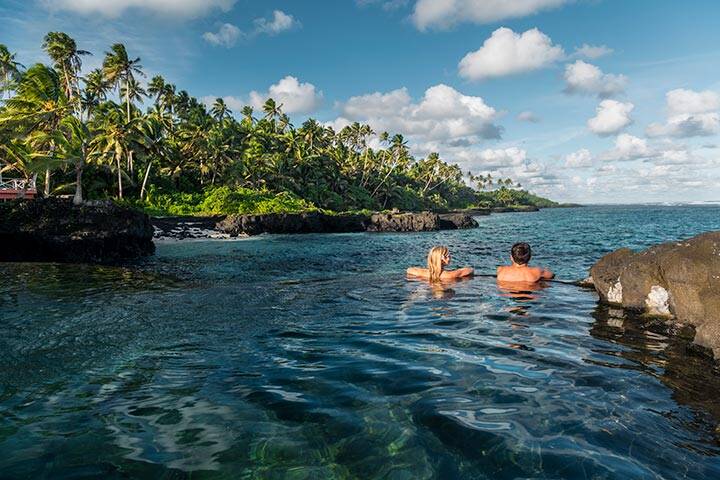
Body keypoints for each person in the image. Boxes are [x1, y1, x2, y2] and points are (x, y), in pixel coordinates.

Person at [407, 246, 474, 282]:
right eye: (447, 255)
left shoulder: (425, 273)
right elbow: (470, 270)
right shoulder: (449, 275)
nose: (450, 257)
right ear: (442, 259)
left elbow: (409, 270)